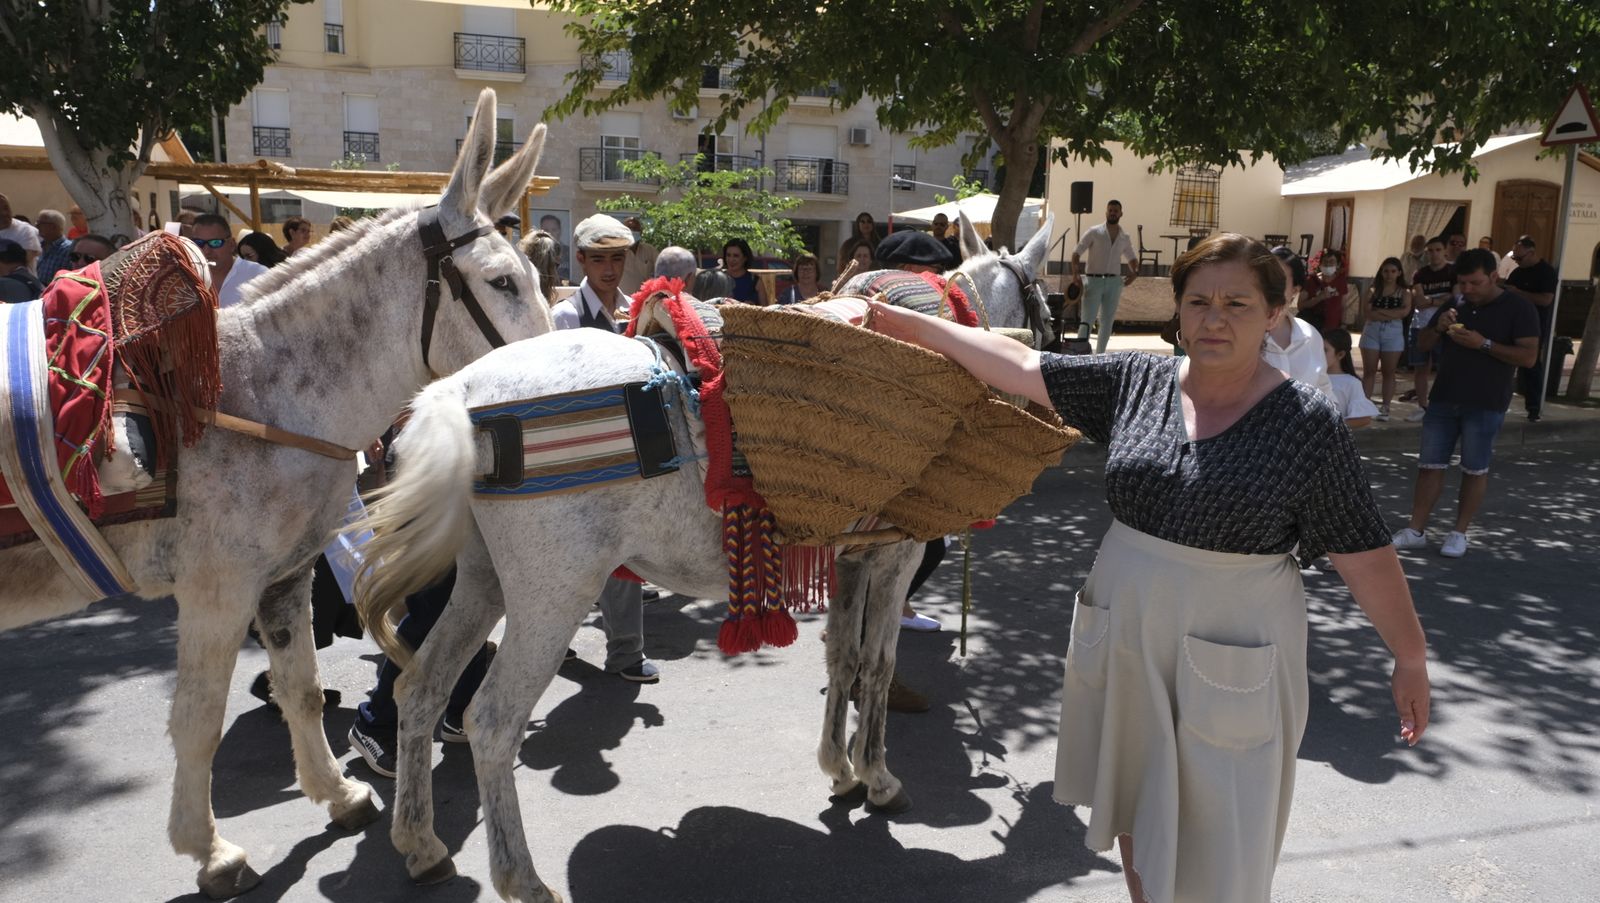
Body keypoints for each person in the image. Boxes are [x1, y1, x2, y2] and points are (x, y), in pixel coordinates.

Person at [864, 233, 1428, 903]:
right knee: (1135, 794)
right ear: (1179, 309)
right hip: (1126, 621)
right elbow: (1018, 363)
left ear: (1277, 312)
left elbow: (1361, 548)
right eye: (1198, 301)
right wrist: (893, 316)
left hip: (1239, 637)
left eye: (1237, 303)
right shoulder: (1136, 379)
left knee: (1222, 824)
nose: (1213, 319)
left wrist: (1410, 654)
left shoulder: (1307, 422)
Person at [547, 213, 664, 683]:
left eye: (617, 258)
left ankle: (626, 653)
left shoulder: (635, 311)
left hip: (625, 453)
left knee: (622, 555)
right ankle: (554, 642)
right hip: (576, 452)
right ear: (581, 260)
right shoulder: (564, 318)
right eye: (599, 259)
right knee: (564, 557)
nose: (610, 268)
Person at [1392, 248, 1540, 559]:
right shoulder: (1455, 302)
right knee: (1429, 466)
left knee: (1474, 468)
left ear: (1494, 277)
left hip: (1486, 401)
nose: (1468, 290)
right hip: (1445, 397)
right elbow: (1423, 345)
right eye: (1463, 283)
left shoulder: (1519, 308)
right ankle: (1415, 530)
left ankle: (1459, 533)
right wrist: (1438, 327)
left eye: (1475, 283)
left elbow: (1528, 357)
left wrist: (1483, 344)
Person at [1262, 247, 1333, 400]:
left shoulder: (1310, 335)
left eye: (1278, 280)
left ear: (1294, 290)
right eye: (1264, 278)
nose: (1269, 287)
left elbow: (1324, 392)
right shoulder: (1242, 333)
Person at [1499, 235, 1558, 421]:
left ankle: (1533, 407)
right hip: (1513, 324)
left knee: (1531, 366)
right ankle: (1499, 403)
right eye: (1514, 258)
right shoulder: (1516, 273)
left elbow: (1546, 299)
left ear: (1531, 252)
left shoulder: (1546, 272)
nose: (1516, 261)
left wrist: (1519, 294)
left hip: (1535, 326)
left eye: (1519, 257)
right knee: (1504, 363)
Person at [1070, 200, 1138, 353]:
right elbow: (1076, 253)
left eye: (1116, 210)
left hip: (1114, 282)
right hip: (1093, 280)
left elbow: (1132, 258)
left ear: (1121, 213)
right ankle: (1080, 355)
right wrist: (1075, 274)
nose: (1113, 213)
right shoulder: (1094, 232)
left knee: (1107, 322)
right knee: (1087, 320)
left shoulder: (1124, 237)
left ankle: (1100, 356)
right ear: (1106, 212)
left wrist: (1135, 272)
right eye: (1110, 210)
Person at [1403, 238, 1455, 421]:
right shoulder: (1420, 274)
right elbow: (1418, 301)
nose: (1434, 254)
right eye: (1430, 250)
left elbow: (1454, 298)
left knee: (1444, 368)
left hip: (1445, 325)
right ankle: (1423, 406)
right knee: (1420, 368)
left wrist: (1432, 301)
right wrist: (1441, 298)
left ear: (1444, 251)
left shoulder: (1452, 272)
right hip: (1420, 325)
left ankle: (1440, 406)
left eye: (1438, 250)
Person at [1359, 257, 1412, 420]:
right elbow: (1367, 312)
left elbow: (1403, 313)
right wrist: (1390, 314)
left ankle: (1386, 407)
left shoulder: (1404, 292)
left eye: (1393, 271)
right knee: (1369, 370)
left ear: (1399, 273)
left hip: (1393, 333)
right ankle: (1364, 405)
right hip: (1372, 331)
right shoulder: (1373, 290)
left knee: (1389, 371)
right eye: (1386, 271)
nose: (1389, 275)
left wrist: (1380, 313)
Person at [191, 214, 268, 308]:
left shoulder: (258, 275)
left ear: (231, 244)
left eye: (215, 243)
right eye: (199, 243)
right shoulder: (184, 278)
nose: (206, 250)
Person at [1322, 328, 1379, 429]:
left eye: (1324, 350)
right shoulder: (1310, 377)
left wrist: (1330, 428)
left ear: (1340, 354)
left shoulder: (1351, 383)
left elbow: (1363, 418)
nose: (1319, 354)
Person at [1298, 248, 1348, 331]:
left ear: (1338, 264)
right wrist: (1319, 298)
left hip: (1333, 330)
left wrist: (1343, 325)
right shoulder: (1311, 280)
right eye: (1325, 261)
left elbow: (1344, 306)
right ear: (1320, 264)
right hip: (1313, 328)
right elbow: (1300, 306)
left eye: (1331, 261)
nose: (1328, 264)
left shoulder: (1341, 281)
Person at [721, 238, 770, 305]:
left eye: (736, 256)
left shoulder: (755, 281)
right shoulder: (718, 279)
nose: (731, 260)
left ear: (745, 258)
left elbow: (766, 311)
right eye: (728, 255)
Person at [0, 193, 42, 270]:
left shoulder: (25, 230)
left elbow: (20, 263)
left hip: (17, 281)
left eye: (6, 208)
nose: (4, 213)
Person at [619, 215, 659, 295]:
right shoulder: (617, 252)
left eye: (635, 229)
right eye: (629, 229)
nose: (632, 231)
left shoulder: (650, 250)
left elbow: (662, 269)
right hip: (622, 301)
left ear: (641, 232)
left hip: (645, 300)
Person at [34, 209, 73, 284]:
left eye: (41, 223)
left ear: (53, 227)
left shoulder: (69, 249)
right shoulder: (40, 246)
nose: (36, 225)